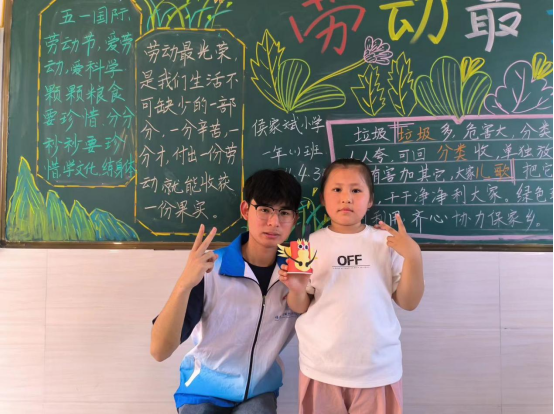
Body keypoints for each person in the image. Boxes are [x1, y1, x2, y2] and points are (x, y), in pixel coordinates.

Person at [151, 169, 303, 414]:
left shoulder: (297, 275)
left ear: (294, 219)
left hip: (259, 391)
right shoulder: (211, 269)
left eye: (284, 213)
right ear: (245, 210)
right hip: (203, 390)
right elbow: (159, 351)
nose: (274, 222)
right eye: (264, 209)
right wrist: (184, 284)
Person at [280, 159, 425, 414]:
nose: (346, 198)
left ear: (370, 200)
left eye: (356, 190)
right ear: (322, 198)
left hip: (377, 369)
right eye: (336, 189)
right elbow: (300, 306)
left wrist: (414, 256)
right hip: (321, 367)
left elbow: (409, 302)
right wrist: (297, 289)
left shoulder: (386, 242)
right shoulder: (309, 243)